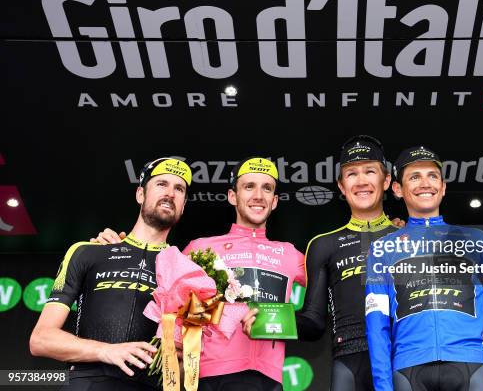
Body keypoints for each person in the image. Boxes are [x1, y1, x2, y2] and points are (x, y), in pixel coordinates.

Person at [94, 157, 305, 391]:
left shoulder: (290, 254)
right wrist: (119, 245)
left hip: (269, 376)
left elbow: (333, 284)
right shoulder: (200, 247)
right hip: (209, 374)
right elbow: (166, 289)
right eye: (249, 187)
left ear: (275, 201)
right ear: (232, 196)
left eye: (267, 189)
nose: (258, 196)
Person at [365, 146, 483, 391]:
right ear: (397, 189)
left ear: (443, 187)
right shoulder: (382, 249)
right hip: (408, 369)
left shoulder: (476, 240)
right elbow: (376, 326)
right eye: (415, 177)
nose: (425, 183)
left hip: (470, 366)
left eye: (432, 176)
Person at [30, 157, 192, 391]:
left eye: (179, 189)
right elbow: (41, 340)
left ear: (184, 205)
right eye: (161, 184)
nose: (170, 193)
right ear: (140, 194)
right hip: (88, 382)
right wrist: (106, 350)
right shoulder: (88, 251)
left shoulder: (188, 271)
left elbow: (185, 368)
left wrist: (182, 359)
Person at [295, 135, 398, 391]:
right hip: (349, 361)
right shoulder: (323, 244)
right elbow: (313, 322)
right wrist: (268, 317)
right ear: (341, 185)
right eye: (351, 174)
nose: (361, 181)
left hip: (405, 357)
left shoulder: (408, 238)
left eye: (370, 171)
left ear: (385, 181)